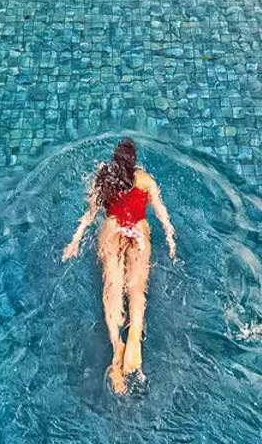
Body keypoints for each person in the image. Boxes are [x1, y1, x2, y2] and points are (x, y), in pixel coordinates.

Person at [62, 138, 176, 393]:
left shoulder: (104, 179)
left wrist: (74, 242)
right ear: (134, 163)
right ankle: (135, 333)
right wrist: (170, 239)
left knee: (112, 287)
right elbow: (161, 212)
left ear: (115, 160)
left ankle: (117, 348)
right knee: (136, 289)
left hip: (113, 230)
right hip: (137, 232)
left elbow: (90, 214)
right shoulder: (145, 180)